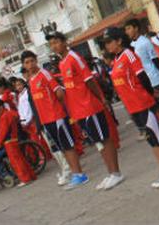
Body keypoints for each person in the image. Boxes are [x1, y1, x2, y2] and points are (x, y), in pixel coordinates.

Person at [100, 28, 159, 189]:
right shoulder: (116, 60)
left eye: (109, 42)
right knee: (151, 140)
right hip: (133, 107)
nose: (107, 46)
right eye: (105, 43)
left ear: (119, 41)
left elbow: (142, 76)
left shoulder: (129, 55)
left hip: (143, 103)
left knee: (157, 137)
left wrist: (151, 94)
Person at [46, 31, 124, 190]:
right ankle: (110, 173)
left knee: (105, 140)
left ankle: (116, 173)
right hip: (79, 111)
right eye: (51, 44)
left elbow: (89, 80)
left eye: (56, 42)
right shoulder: (62, 63)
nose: (54, 46)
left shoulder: (74, 58)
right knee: (98, 142)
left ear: (64, 41)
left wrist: (101, 99)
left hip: (90, 107)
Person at [22, 51, 82, 188]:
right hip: (46, 121)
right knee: (62, 147)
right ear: (23, 65)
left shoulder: (44, 74)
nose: (30, 64)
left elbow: (59, 93)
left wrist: (56, 109)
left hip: (57, 117)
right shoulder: (31, 80)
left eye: (32, 61)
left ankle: (79, 174)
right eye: (27, 62)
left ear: (36, 60)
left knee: (68, 146)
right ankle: (74, 174)